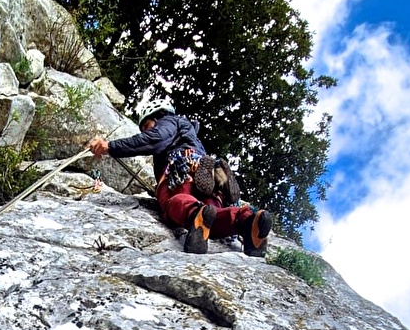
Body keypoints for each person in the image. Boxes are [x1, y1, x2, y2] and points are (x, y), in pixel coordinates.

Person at [88, 104, 272, 255]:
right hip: (207, 174)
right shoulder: (191, 134)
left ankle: (196, 212)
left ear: (158, 117)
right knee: (213, 218)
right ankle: (248, 220)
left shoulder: (169, 121)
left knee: (174, 202)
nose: (146, 131)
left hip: (180, 168)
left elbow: (155, 139)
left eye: (146, 126)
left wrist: (110, 147)